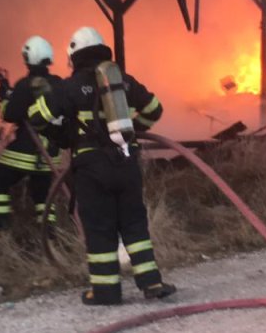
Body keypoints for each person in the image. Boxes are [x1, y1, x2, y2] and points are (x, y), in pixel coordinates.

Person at [28, 26, 176, 305]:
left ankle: (106, 291)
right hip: (127, 161)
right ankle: (152, 282)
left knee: (99, 227)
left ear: (74, 56)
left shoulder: (70, 87)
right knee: (134, 225)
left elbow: (36, 115)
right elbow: (154, 108)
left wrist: (60, 136)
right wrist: (135, 130)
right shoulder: (123, 82)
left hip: (91, 168)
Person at [0, 36, 61, 231]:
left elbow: (10, 114)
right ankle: (48, 237)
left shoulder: (25, 84)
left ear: (28, 58)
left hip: (25, 153)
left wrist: (4, 97)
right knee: (42, 196)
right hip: (50, 155)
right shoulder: (59, 83)